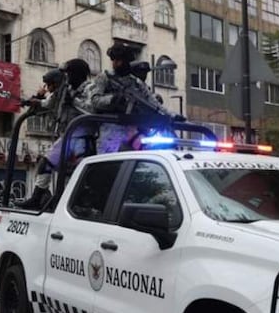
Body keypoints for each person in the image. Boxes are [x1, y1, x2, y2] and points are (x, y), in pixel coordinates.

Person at [16, 59, 92, 210]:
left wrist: (74, 101)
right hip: (66, 136)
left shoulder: (90, 88)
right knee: (45, 165)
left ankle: (75, 205)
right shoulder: (65, 89)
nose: (67, 77)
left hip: (82, 138)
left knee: (77, 175)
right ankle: (37, 198)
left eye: (69, 73)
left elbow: (92, 109)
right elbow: (48, 103)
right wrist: (33, 102)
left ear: (77, 74)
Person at [75, 42, 169, 154]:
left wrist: (170, 115)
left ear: (126, 62)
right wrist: (112, 99)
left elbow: (153, 103)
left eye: (118, 61)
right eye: (113, 60)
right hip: (110, 128)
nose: (115, 64)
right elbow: (94, 100)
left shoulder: (136, 83)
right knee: (108, 163)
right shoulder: (105, 78)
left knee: (150, 153)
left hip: (132, 128)